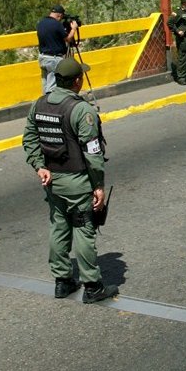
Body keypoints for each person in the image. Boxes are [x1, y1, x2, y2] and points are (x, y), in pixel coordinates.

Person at [22, 57, 119, 303]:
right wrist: (98, 185)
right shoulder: (81, 110)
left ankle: (62, 281)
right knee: (84, 229)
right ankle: (92, 285)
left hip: (53, 179)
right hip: (77, 180)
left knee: (58, 226)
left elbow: (29, 137)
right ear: (77, 81)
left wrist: (39, 166)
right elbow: (93, 153)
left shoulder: (40, 103)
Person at [37, 4, 79, 94]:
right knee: (52, 87)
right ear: (59, 15)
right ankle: (52, 105)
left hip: (42, 57)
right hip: (54, 59)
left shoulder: (41, 23)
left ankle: (43, 104)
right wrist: (73, 29)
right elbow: (68, 39)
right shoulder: (56, 24)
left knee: (45, 85)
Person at [167, 0, 186, 85]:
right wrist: (178, 31)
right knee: (182, 58)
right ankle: (181, 77)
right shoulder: (178, 12)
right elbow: (169, 23)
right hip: (183, 39)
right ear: (185, 2)